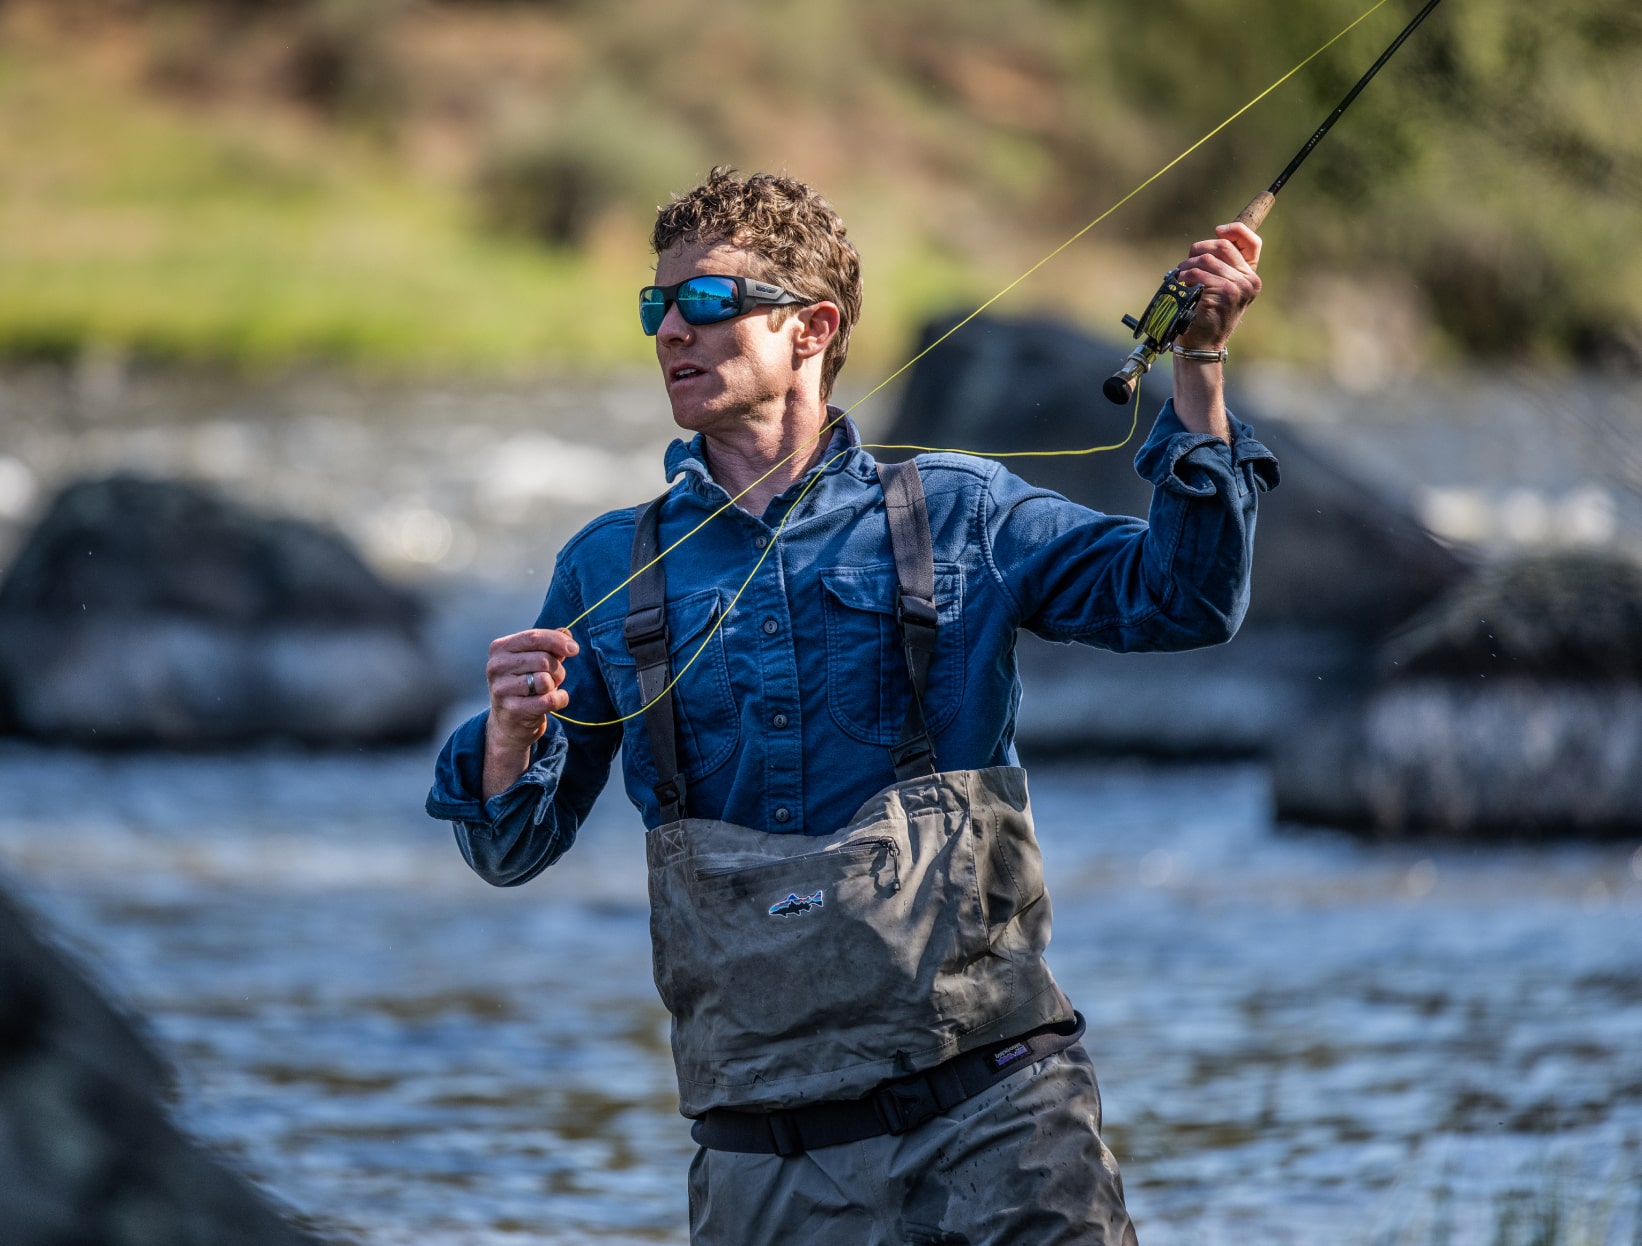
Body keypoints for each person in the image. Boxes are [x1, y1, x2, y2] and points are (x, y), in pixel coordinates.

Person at [427, 166, 1277, 1244]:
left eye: (704, 303)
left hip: (1000, 1124)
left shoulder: (961, 512)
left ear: (810, 328)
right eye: (657, 306)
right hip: (767, 1169)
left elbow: (1184, 600)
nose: (670, 334)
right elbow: (508, 849)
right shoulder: (606, 568)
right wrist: (510, 736)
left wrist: (1197, 369)